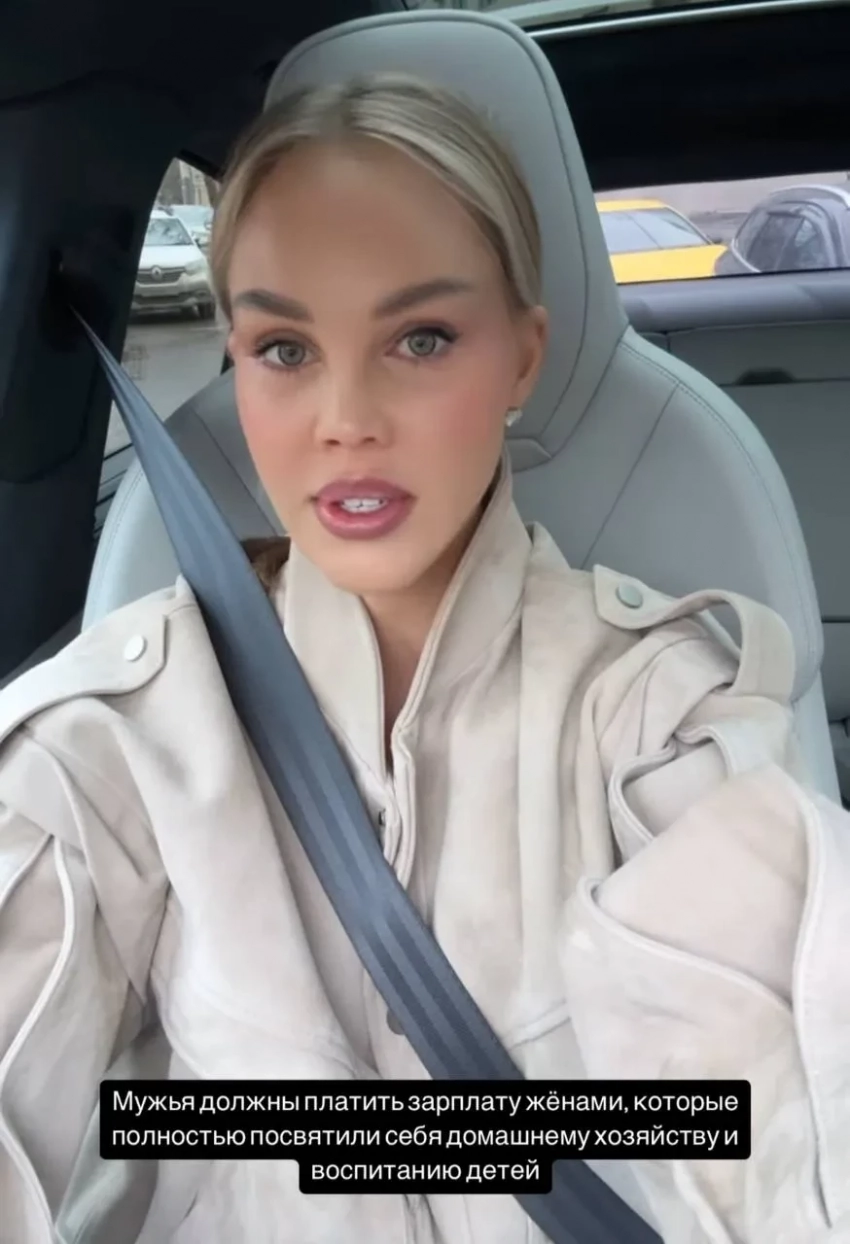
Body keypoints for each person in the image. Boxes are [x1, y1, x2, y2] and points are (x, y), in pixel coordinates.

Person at [0, 73, 847, 1244]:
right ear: (233, 360)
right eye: (285, 347)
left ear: (521, 358)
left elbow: (784, 1104)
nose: (346, 415)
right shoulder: (120, 735)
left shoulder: (659, 710)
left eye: (421, 337)